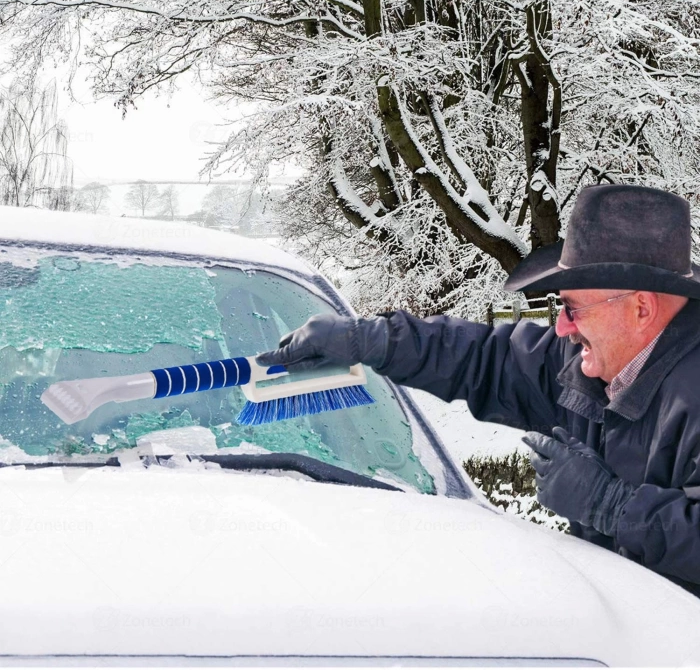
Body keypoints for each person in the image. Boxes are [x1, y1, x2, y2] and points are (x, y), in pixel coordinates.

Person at [257, 184, 700, 597]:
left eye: (571, 308)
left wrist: (612, 506)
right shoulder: (586, 363)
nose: (561, 327)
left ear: (641, 308)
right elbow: (482, 359)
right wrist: (366, 340)